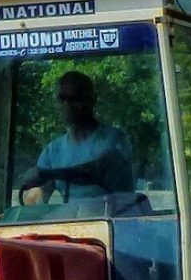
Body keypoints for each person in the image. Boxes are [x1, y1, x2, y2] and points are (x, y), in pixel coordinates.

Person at [17, 71, 135, 203]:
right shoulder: (53, 151)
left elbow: (99, 170)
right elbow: (37, 194)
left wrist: (51, 174)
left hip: (110, 218)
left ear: (92, 99)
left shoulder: (114, 140)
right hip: (72, 222)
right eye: (62, 98)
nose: (67, 105)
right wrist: (14, 216)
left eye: (75, 98)